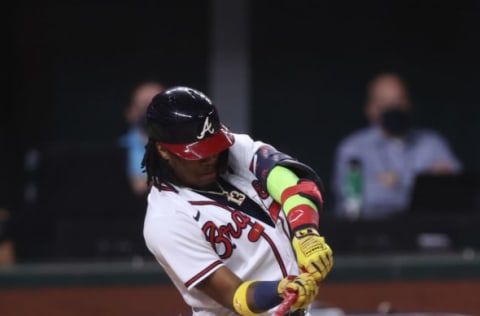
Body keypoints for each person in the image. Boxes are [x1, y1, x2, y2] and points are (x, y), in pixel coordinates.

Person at [142, 87, 333, 315]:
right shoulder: (165, 219)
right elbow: (234, 295)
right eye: (199, 153)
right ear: (163, 150)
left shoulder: (234, 150)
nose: (211, 157)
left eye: (213, 146)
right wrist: (280, 289)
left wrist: (305, 233)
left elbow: (297, 184)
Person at [332, 72, 462, 219]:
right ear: (370, 108)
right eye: (385, 103)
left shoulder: (432, 144)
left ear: (409, 104)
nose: (393, 108)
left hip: (424, 229)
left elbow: (457, 191)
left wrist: (400, 180)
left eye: (399, 101)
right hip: (371, 232)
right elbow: (357, 201)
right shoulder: (353, 147)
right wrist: (423, 184)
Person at [118, 81, 165, 195]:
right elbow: (138, 187)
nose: (152, 111)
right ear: (130, 112)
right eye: (144, 105)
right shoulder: (119, 149)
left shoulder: (188, 147)